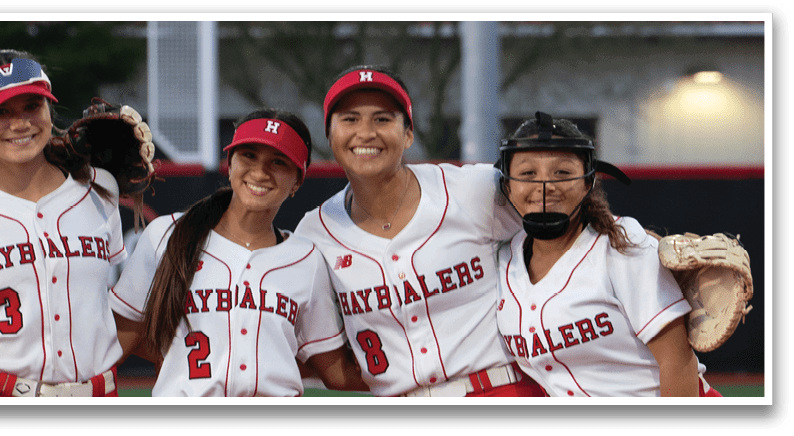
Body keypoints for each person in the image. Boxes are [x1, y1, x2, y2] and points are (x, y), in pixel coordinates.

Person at [294, 65, 545, 397]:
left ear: (408, 134)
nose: (366, 132)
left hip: (500, 388)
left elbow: (568, 223)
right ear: (330, 136)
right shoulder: (315, 233)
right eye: (350, 119)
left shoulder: (471, 189)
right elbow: (332, 369)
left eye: (383, 119)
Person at [109, 109, 368, 396]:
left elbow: (334, 371)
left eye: (279, 162)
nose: (260, 172)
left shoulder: (306, 260)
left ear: (297, 182)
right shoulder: (167, 235)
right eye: (249, 156)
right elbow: (115, 342)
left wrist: (416, 373)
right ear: (229, 163)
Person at [0, 49, 130, 397]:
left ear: (49, 111)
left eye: (32, 106)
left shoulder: (99, 187)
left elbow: (110, 315)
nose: (19, 123)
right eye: (0, 112)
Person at [493, 112, 720, 397]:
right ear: (507, 185)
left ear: (588, 182)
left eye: (562, 172)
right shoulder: (504, 259)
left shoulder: (623, 247)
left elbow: (677, 363)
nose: (545, 185)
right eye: (528, 173)